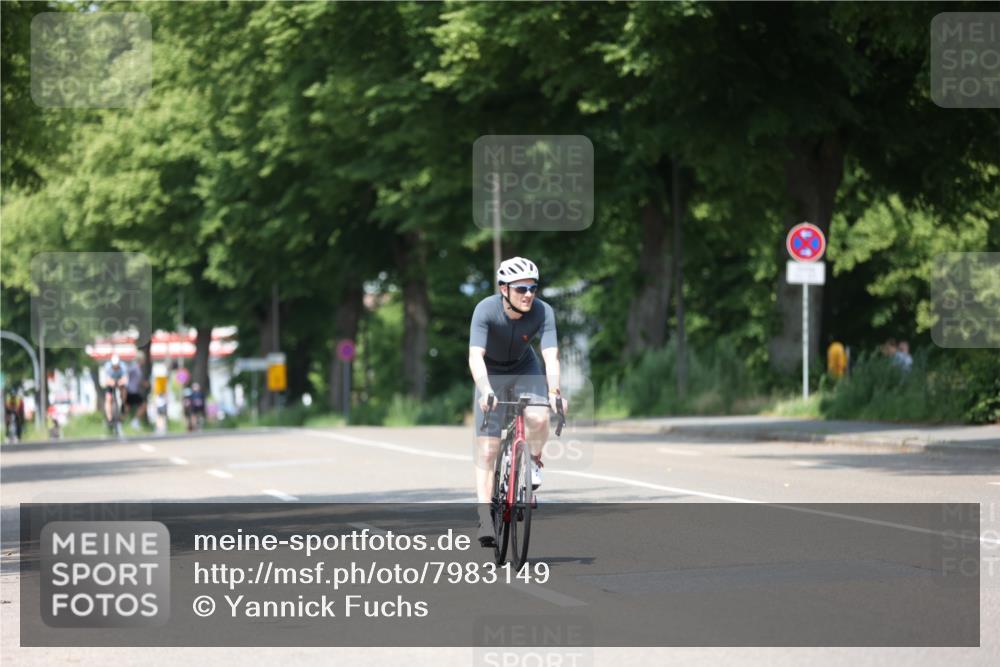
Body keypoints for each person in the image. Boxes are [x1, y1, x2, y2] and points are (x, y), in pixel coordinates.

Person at [469, 257, 566, 548]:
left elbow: (550, 355)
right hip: (491, 372)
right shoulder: (485, 310)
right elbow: (475, 356)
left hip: (525, 367)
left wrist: (555, 392)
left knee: (539, 416)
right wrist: (485, 389)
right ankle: (485, 516)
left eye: (533, 288)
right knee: (488, 449)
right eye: (521, 288)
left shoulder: (543, 311)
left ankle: (532, 463)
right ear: (504, 289)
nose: (528, 294)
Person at [100, 355, 128, 432]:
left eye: (117, 366)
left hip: (119, 382)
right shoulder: (107, 367)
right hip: (111, 382)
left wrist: (119, 382)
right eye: (114, 366)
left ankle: (122, 406)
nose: (115, 368)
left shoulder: (123, 367)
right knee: (108, 398)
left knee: (124, 393)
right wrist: (112, 382)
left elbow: (125, 379)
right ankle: (109, 418)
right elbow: (106, 380)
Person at [124, 356, 146, 429]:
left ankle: (133, 421)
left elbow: (138, 380)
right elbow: (127, 372)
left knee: (140, 406)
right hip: (131, 390)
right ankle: (121, 422)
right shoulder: (134, 367)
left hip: (135, 391)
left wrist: (143, 384)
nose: (144, 361)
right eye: (143, 359)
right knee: (128, 408)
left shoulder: (138, 368)